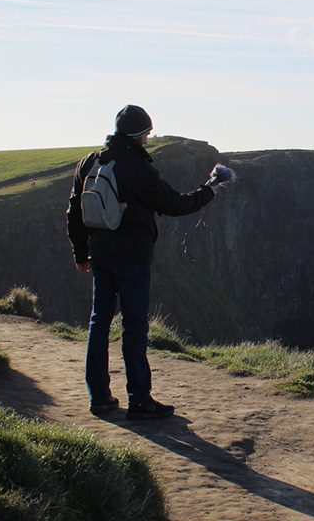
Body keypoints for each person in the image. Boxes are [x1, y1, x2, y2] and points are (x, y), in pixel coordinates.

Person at [66, 104, 223, 419]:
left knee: (99, 322)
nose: (148, 139)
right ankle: (140, 400)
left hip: (101, 254)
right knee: (134, 327)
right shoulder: (138, 168)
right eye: (147, 134)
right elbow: (174, 204)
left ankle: (99, 397)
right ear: (139, 134)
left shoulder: (91, 162)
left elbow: (75, 210)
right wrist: (210, 190)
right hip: (133, 258)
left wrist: (81, 252)